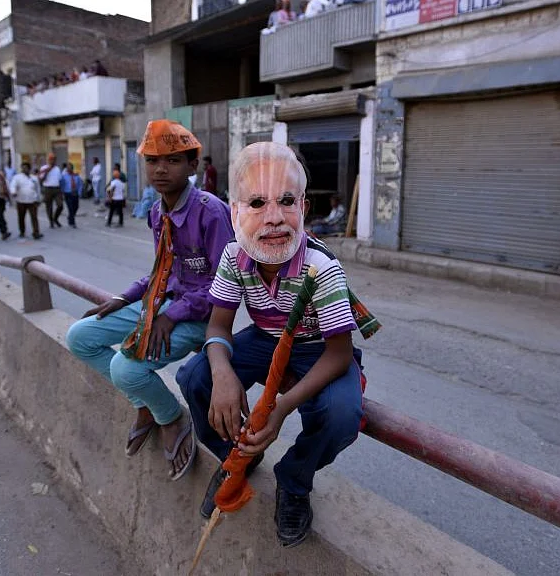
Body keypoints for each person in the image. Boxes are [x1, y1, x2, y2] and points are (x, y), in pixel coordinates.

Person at [176, 142, 379, 548]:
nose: (272, 218)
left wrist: (281, 408)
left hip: (318, 348)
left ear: (303, 207)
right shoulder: (234, 257)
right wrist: (223, 375)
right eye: (256, 203)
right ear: (235, 211)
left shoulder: (320, 267)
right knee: (194, 377)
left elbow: (338, 354)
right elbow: (218, 326)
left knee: (341, 414)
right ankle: (240, 456)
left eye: (286, 201)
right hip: (267, 338)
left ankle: (295, 480)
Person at [66, 119, 234, 481]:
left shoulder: (211, 211)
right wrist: (123, 297)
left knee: (125, 369)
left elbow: (225, 286)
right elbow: (162, 270)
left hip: (198, 315)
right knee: (79, 337)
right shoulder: (158, 212)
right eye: (153, 160)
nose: (160, 169)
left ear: (192, 166)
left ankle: (170, 416)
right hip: (162, 303)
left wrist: (173, 315)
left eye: (173, 161)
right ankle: (146, 403)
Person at [11, 161, 43, 240]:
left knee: (34, 217)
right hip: (21, 201)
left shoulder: (34, 178)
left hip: (32, 201)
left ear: (29, 169)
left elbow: (38, 189)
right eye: (23, 168)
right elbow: (13, 185)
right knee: (21, 217)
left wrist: (39, 199)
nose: (24, 169)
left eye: (26, 168)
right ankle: (22, 232)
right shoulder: (17, 177)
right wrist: (13, 192)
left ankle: (36, 233)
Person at [38, 153, 63, 228]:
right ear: (48, 160)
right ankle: (51, 221)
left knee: (60, 205)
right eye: (51, 159)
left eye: (54, 159)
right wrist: (47, 171)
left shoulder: (57, 168)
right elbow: (41, 180)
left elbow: (60, 179)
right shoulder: (44, 168)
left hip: (57, 188)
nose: (53, 160)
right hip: (48, 188)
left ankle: (55, 218)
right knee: (49, 207)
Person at [60, 162, 83, 229]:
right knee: (71, 208)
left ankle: (70, 217)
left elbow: (80, 185)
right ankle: (72, 222)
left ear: (72, 168)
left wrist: (79, 193)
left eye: (70, 168)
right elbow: (62, 185)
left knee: (76, 207)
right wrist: (62, 193)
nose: (68, 169)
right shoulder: (64, 176)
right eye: (68, 168)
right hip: (68, 194)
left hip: (75, 194)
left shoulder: (76, 176)